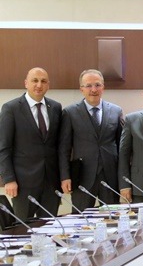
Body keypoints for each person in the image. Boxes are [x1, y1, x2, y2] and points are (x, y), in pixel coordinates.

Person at [0, 67, 63, 218]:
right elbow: (4, 148)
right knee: (23, 228)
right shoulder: (11, 108)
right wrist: (9, 179)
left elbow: (60, 145)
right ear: (26, 83)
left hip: (51, 183)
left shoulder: (56, 107)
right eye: (35, 80)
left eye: (43, 81)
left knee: (50, 227)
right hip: (23, 184)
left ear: (48, 85)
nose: (39, 85)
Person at [59, 69, 124, 211]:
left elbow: (122, 147)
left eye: (97, 85)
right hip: (82, 177)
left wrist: (123, 178)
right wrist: (65, 176)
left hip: (110, 176)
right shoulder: (70, 113)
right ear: (81, 89)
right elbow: (64, 149)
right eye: (88, 86)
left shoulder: (116, 111)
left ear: (103, 87)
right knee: (81, 218)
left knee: (111, 217)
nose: (93, 90)